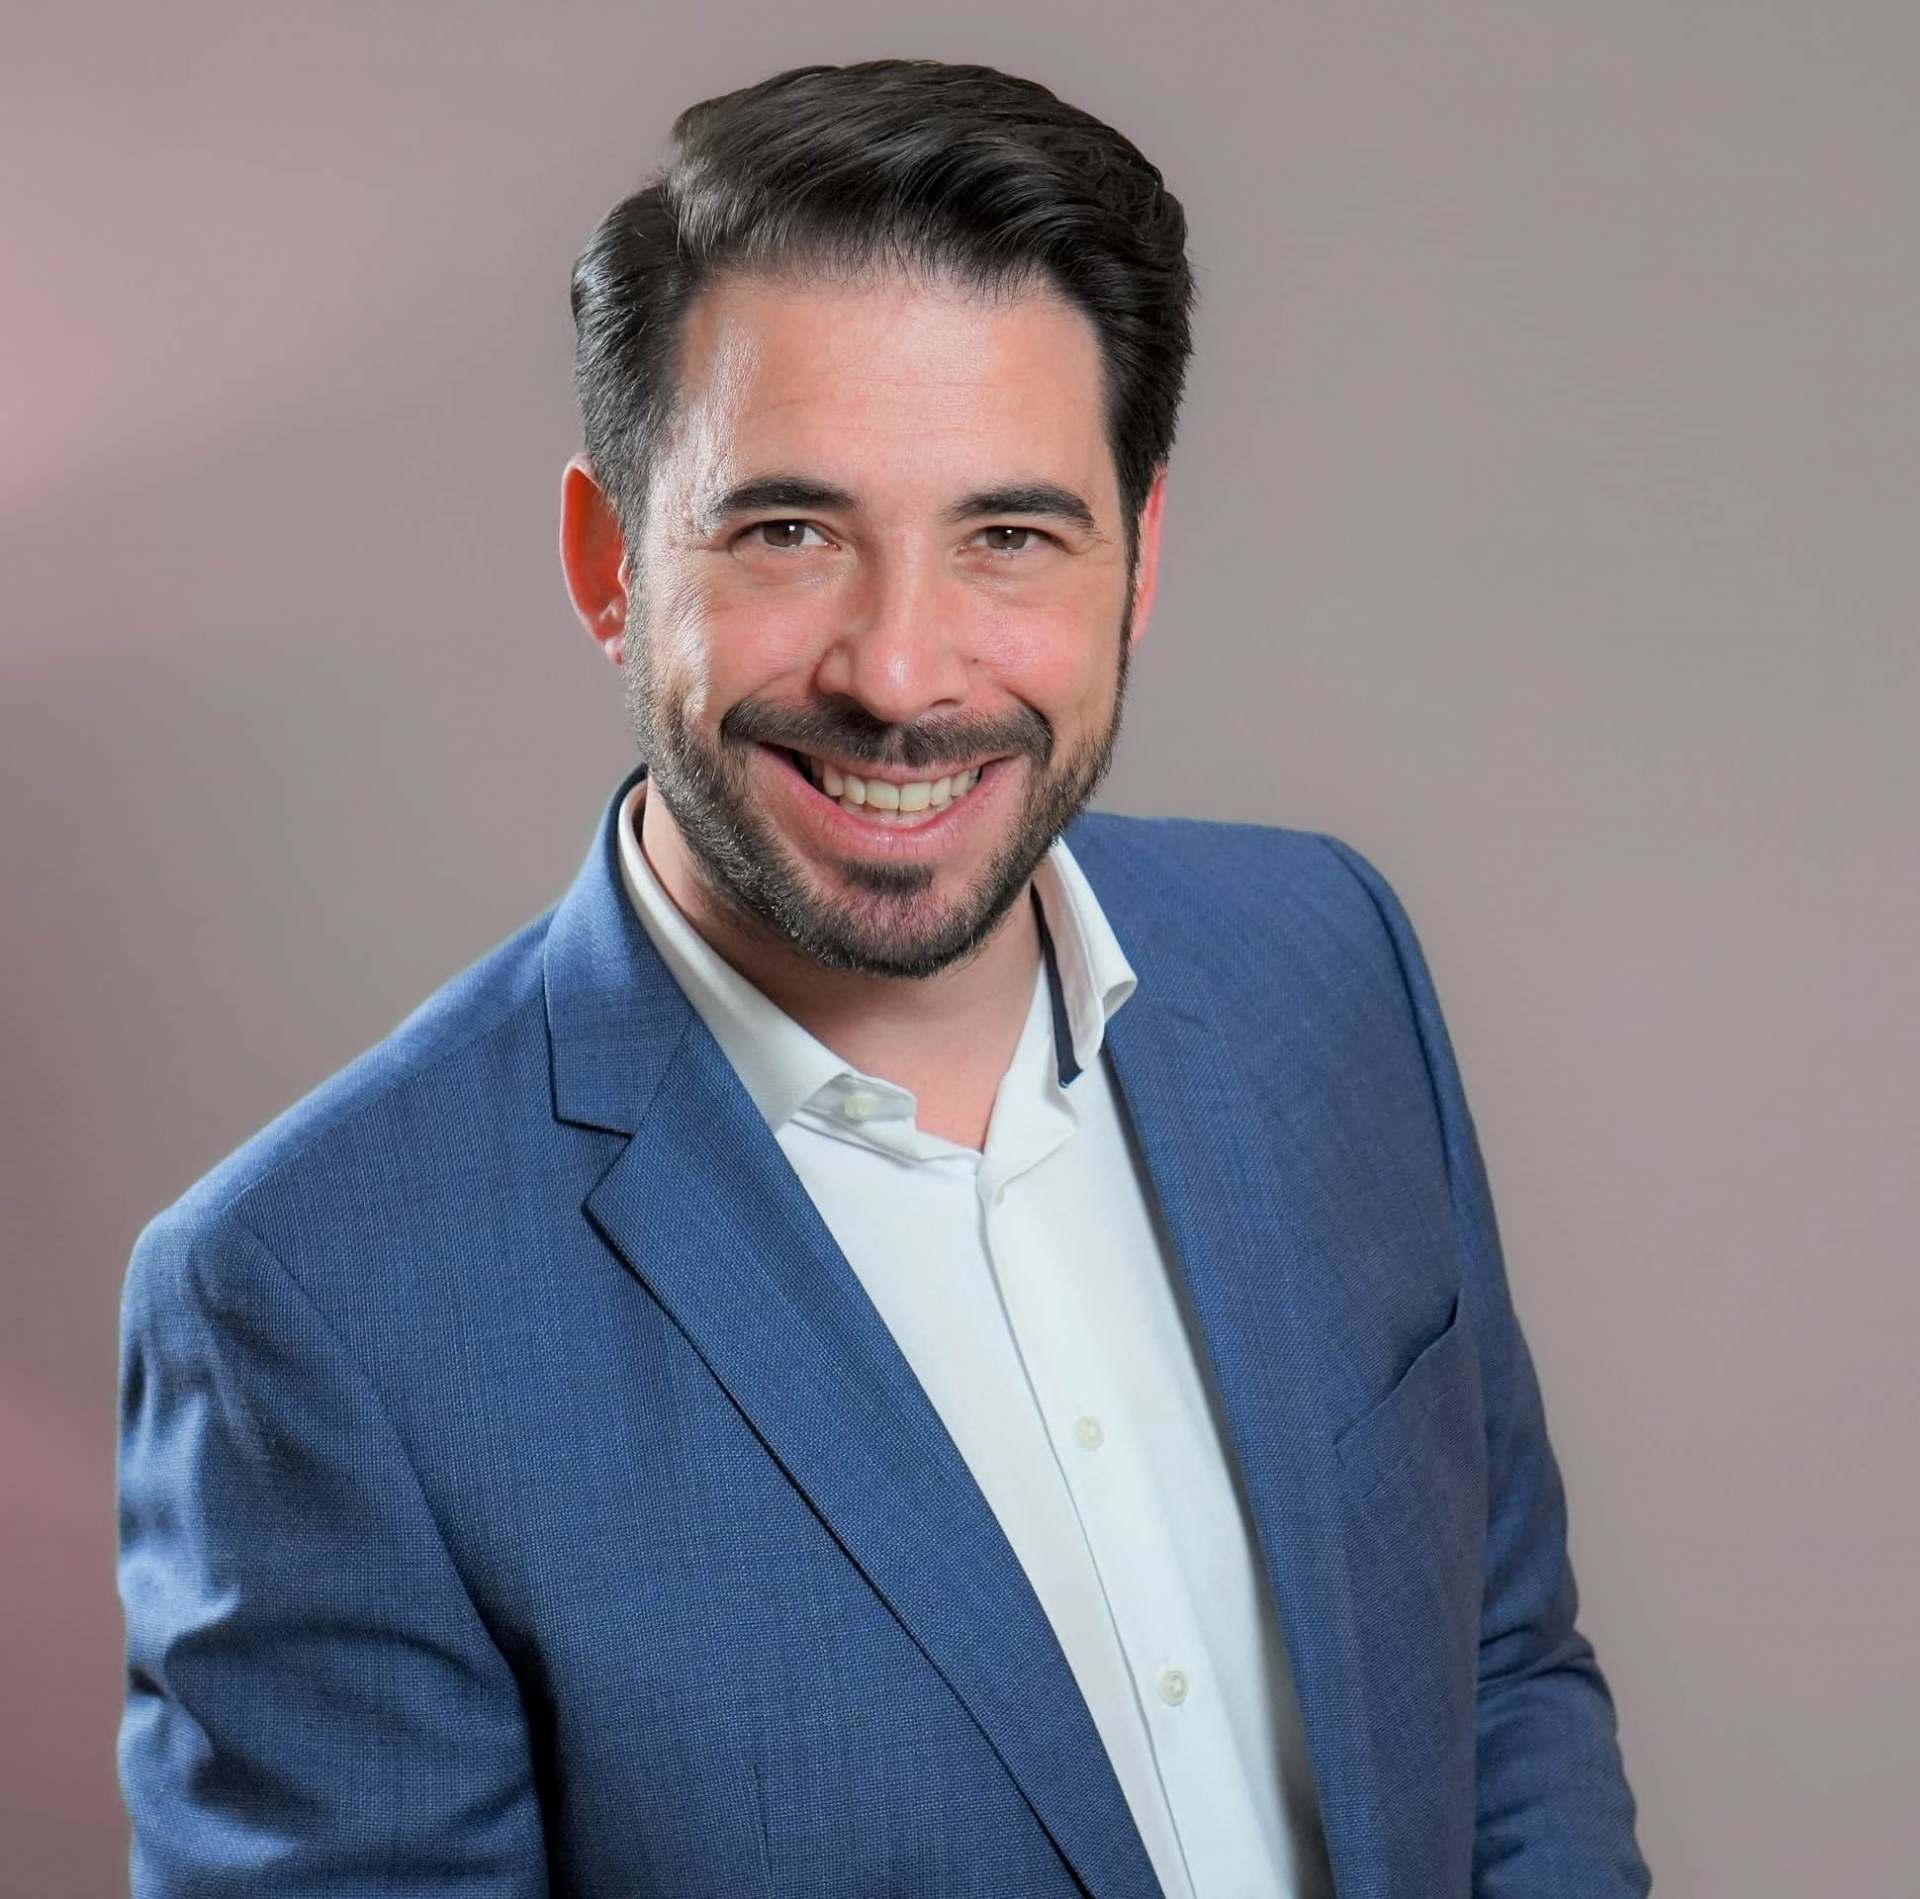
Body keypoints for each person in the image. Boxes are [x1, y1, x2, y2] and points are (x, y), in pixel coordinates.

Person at [115, 57, 1650, 1899]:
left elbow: (1498, 1672)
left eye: (1010, 535)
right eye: (788, 531)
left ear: (1138, 560)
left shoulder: (1329, 964)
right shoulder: (313, 1304)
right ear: (611, 564)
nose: (903, 673)